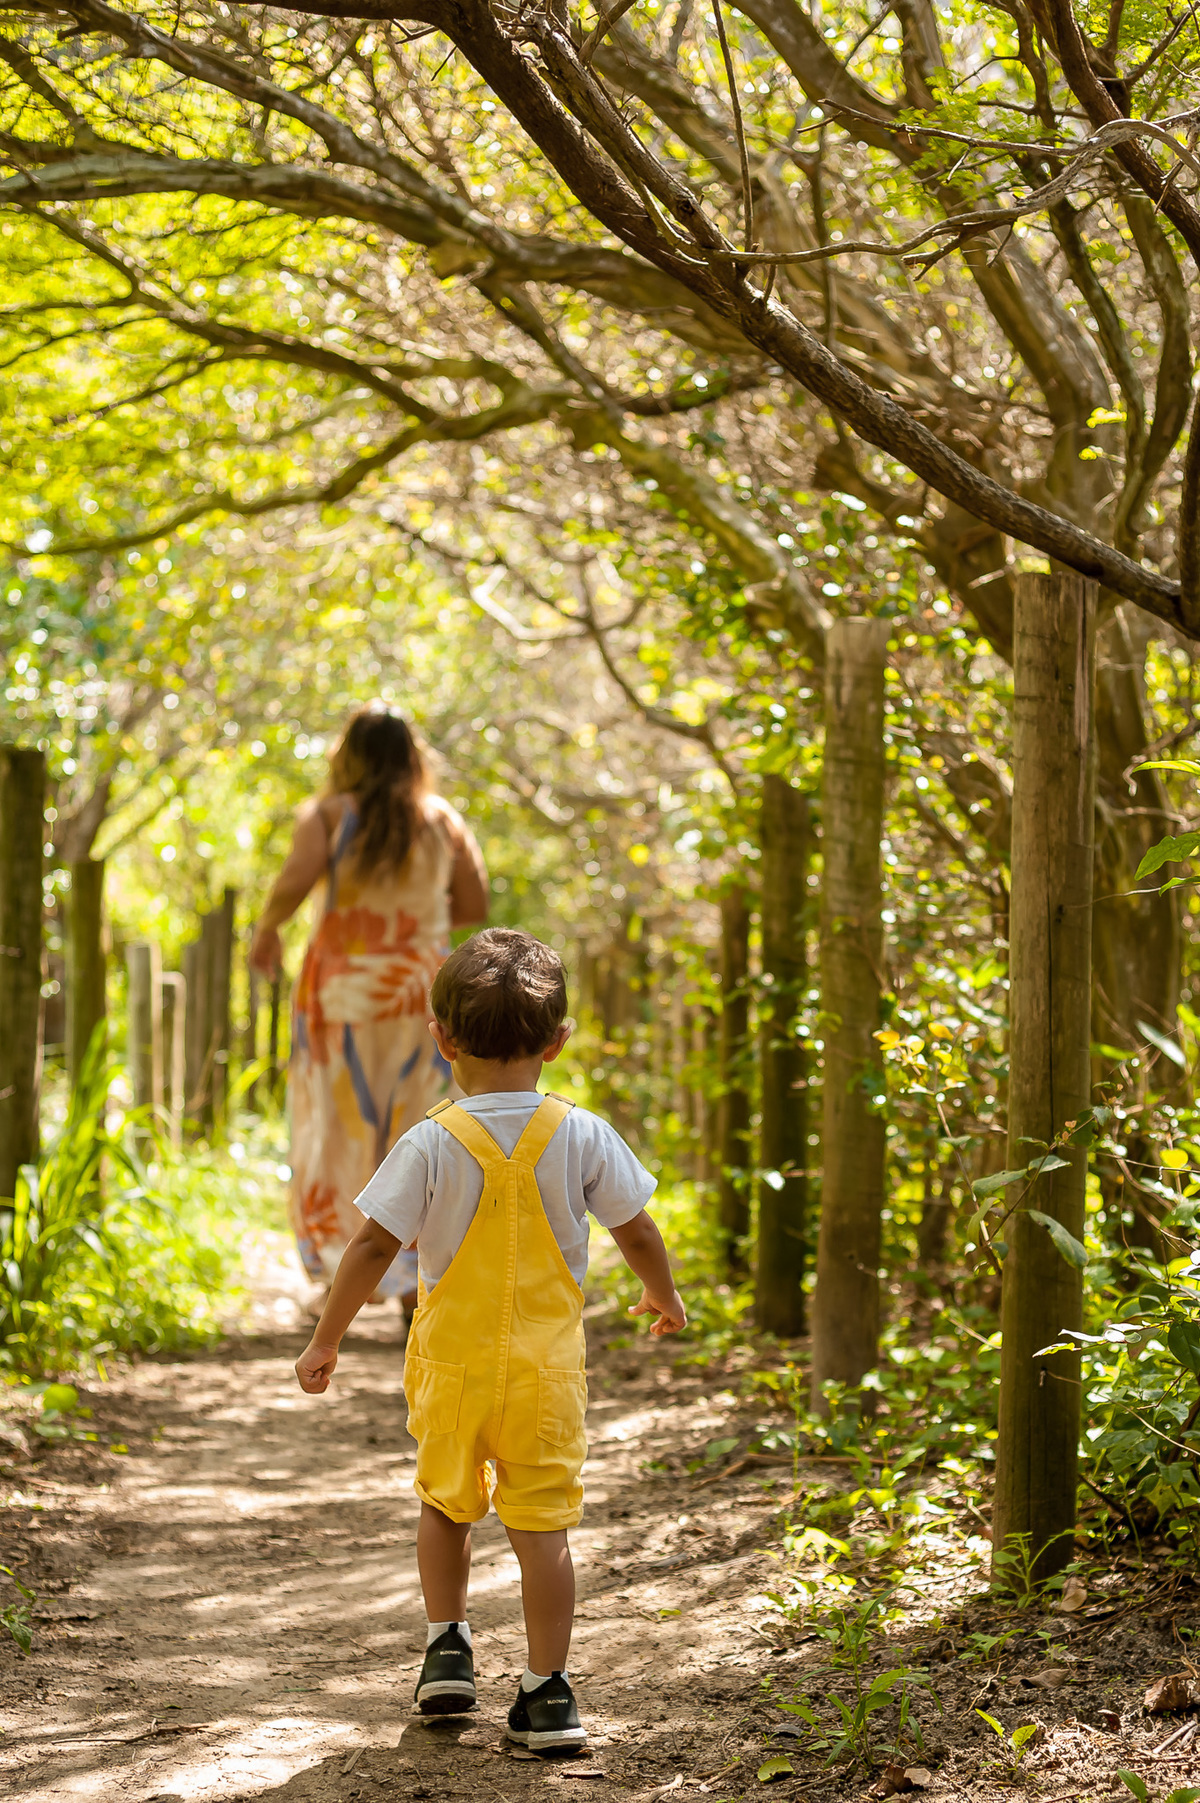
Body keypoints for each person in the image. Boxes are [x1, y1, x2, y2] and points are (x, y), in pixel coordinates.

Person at [293, 928, 686, 1753]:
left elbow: (371, 1246)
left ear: (440, 1039)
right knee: (543, 1530)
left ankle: (448, 1646)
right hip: (547, 1373)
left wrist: (326, 1338)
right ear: (558, 1041)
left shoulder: (431, 1140)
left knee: (444, 1503)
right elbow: (637, 1227)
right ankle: (549, 1693)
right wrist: (663, 1293)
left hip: (453, 1367)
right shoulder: (581, 1133)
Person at [250, 706, 488, 1316]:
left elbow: (296, 880)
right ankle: (415, 1277)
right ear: (413, 756)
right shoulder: (441, 821)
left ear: (347, 754)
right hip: (421, 994)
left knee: (341, 1124)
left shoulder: (330, 816)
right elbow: (473, 902)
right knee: (422, 1124)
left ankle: (344, 1272)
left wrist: (269, 928)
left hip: (342, 996)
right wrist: (414, 930)